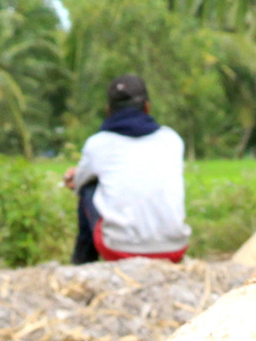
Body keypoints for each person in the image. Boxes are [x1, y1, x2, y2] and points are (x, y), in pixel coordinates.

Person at [65, 74, 192, 265]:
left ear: (108, 110)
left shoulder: (98, 144)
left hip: (119, 250)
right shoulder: (172, 140)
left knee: (88, 188)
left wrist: (74, 179)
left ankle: (83, 263)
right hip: (174, 248)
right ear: (147, 107)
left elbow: (78, 182)